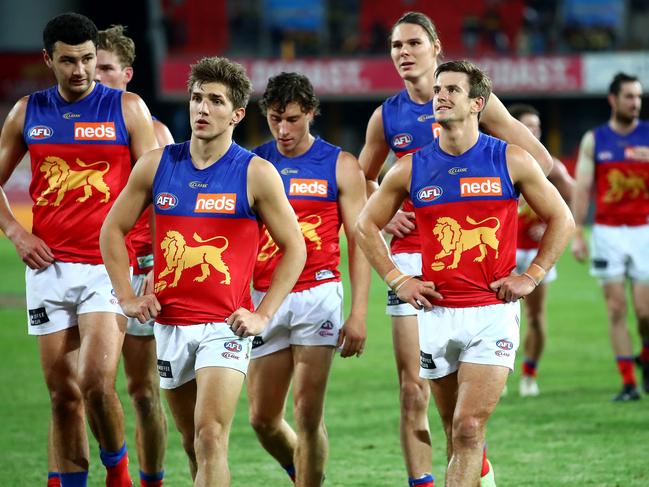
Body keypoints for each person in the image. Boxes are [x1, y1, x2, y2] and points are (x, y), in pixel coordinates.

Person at [357, 11, 553, 487]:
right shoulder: (387, 115)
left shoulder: (476, 104)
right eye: (395, 45)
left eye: (413, 43)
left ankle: (469, 466)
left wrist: (491, 199)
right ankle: (426, 480)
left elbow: (539, 162)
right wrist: (387, 209)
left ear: (436, 46)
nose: (403, 52)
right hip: (411, 262)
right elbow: (362, 178)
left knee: (466, 424)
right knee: (412, 390)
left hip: (479, 275)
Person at [99, 56, 306, 487]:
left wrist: (263, 314)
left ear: (236, 113)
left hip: (225, 328)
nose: (202, 108)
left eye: (215, 100)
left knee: (212, 436)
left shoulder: (256, 173)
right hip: (170, 325)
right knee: (192, 442)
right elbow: (112, 230)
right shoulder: (157, 165)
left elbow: (295, 248)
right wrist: (127, 297)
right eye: (197, 98)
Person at [0, 12, 158, 487]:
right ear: (49, 59)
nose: (81, 71)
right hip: (48, 268)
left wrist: (149, 260)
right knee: (62, 395)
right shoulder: (27, 112)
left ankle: (119, 470)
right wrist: (17, 232)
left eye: (88, 59)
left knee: (94, 381)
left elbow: (155, 188)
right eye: (68, 61)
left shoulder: (127, 109)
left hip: (106, 268)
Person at [246, 72, 370, 486]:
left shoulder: (341, 165)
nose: (284, 129)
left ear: (312, 113)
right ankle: (300, 470)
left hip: (318, 294)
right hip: (265, 299)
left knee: (307, 413)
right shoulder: (254, 164)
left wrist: (359, 313)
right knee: (263, 418)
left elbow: (360, 241)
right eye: (276, 118)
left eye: (294, 119)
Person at [95, 24, 174, 486]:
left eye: (107, 69)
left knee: (143, 391)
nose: (97, 78)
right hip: (91, 269)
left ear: (127, 75)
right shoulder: (76, 126)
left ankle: (152, 480)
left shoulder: (156, 134)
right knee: (83, 386)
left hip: (142, 270)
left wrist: (160, 269)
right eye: (93, 68)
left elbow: (172, 209)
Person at [571, 72, 649, 401]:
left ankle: (645, 355)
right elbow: (583, 186)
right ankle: (628, 382)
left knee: (645, 313)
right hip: (607, 232)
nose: (636, 103)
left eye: (639, 97)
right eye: (629, 96)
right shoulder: (595, 140)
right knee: (616, 308)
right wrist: (577, 231)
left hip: (644, 230)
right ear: (613, 100)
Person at [508, 104, 575, 397]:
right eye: (527, 127)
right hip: (504, 252)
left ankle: (529, 375)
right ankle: (494, 374)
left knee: (535, 317)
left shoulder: (552, 167)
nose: (534, 132)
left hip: (537, 252)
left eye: (537, 127)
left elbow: (572, 199)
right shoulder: (502, 162)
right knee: (499, 317)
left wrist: (550, 225)